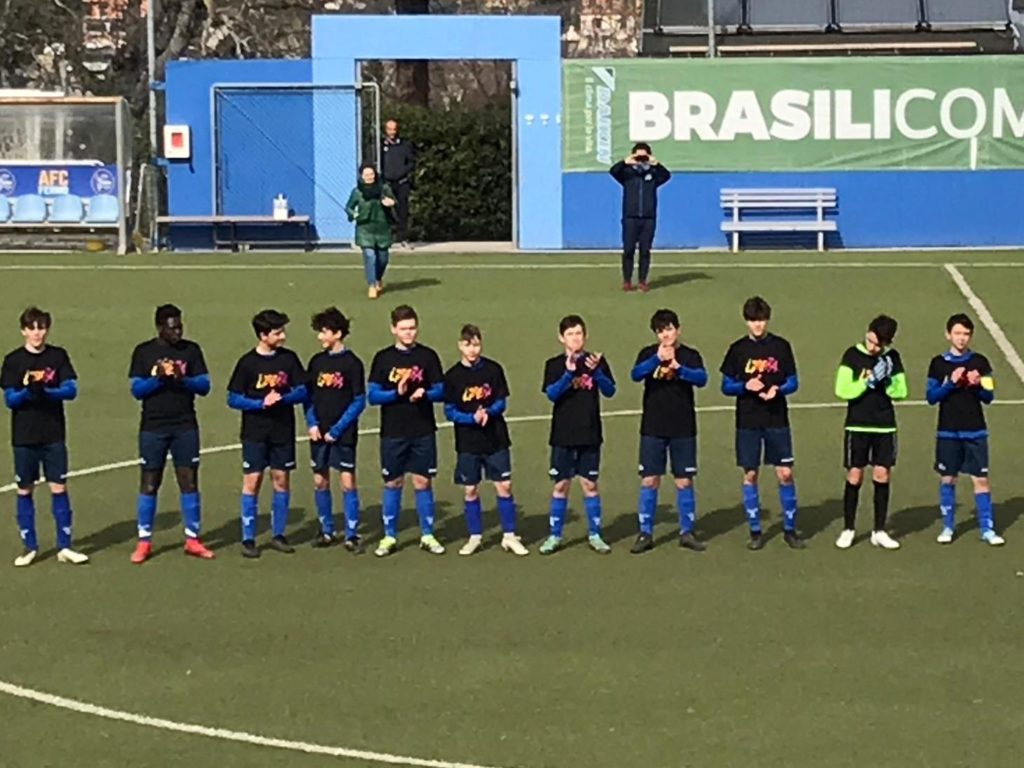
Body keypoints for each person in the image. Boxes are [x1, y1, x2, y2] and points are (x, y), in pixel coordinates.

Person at [1, 307, 88, 566]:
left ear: (47, 329)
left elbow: (71, 390)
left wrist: (47, 391)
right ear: (23, 331)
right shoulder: (13, 360)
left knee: (58, 487)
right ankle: (30, 547)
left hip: (53, 434)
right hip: (24, 436)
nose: (37, 333)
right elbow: (10, 399)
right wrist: (28, 391)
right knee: (25, 489)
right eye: (32, 328)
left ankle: (65, 546)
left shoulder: (58, 356)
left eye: (41, 328)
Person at [127, 304, 214, 564]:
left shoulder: (191, 350)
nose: (178, 331)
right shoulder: (144, 352)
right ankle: (144, 542)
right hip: (153, 427)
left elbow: (205, 386)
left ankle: (193, 539)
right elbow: (137, 389)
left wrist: (181, 378)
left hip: (185, 426)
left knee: (188, 481)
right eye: (172, 327)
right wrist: (159, 379)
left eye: (180, 326)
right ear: (160, 328)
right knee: (150, 482)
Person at [719, 296, 803, 550]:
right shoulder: (737, 349)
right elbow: (725, 386)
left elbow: (794, 381)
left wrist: (777, 389)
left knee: (785, 473)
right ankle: (755, 531)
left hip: (777, 419)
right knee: (751, 474)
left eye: (762, 320)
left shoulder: (781, 346)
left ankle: (790, 529)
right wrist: (746, 385)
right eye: (754, 321)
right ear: (746, 321)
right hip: (748, 421)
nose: (758, 325)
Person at [226, 309, 308, 559]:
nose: (282, 336)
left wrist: (282, 398)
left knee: (281, 479)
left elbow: (304, 390)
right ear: (263, 335)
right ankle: (248, 537)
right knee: (253, 482)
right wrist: (261, 404)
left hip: (282, 431)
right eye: (277, 332)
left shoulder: (289, 359)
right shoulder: (247, 363)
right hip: (255, 432)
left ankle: (278, 534)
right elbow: (233, 398)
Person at [367, 305, 446, 557]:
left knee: (423, 481)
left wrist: (426, 393)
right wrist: (396, 393)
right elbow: (373, 395)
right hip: (393, 431)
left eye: (412, 328)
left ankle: (428, 534)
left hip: (422, 429)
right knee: (393, 481)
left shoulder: (428, 356)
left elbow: (442, 390)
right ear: (393, 329)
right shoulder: (383, 358)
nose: (409, 333)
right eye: (403, 329)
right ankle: (389, 535)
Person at [443, 324, 528, 557]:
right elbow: (449, 411)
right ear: (460, 345)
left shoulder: (493, 370)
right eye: (468, 345)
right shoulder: (452, 376)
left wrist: (488, 413)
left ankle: (509, 535)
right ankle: (475, 536)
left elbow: (502, 402)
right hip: (468, 443)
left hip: (496, 439)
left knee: (504, 486)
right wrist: (471, 417)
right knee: (470, 489)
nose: (473, 349)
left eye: (477, 344)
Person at [629, 309, 708, 554]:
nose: (666, 334)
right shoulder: (647, 353)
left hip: (683, 427)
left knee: (684, 480)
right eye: (662, 331)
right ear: (656, 334)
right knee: (650, 479)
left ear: (678, 330)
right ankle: (645, 533)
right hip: (653, 427)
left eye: (670, 329)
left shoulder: (690, 355)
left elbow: (702, 378)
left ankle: (687, 531)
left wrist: (678, 367)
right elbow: (635, 374)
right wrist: (657, 360)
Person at [539, 314, 616, 555]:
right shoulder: (553, 364)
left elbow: (610, 390)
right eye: (570, 334)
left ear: (585, 336)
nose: (575, 338)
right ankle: (555, 535)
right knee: (561, 485)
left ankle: (595, 534)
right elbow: (551, 394)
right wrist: (568, 373)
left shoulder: (596, 361)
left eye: (579, 333)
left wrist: (597, 373)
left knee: (590, 485)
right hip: (562, 434)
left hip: (590, 433)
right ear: (561, 338)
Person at [926, 313, 1004, 546]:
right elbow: (931, 397)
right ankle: (948, 526)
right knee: (948, 478)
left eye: (966, 334)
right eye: (958, 333)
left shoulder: (980, 362)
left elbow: (988, 396)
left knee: (980, 479)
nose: (962, 338)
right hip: (948, 431)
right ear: (948, 334)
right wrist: (950, 382)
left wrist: (977, 384)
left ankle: (987, 529)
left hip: (975, 430)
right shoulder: (938, 363)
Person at [833, 315, 907, 551]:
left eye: (879, 344)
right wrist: (868, 382)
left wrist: (886, 382)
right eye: (872, 341)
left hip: (884, 425)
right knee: (855, 475)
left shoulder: (892, 358)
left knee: (882, 476)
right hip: (857, 425)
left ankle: (879, 530)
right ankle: (848, 529)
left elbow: (901, 391)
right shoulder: (852, 356)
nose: (874, 347)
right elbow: (842, 389)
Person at [304, 307, 366, 552]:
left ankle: (352, 534)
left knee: (348, 482)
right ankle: (326, 530)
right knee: (320, 481)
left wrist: (338, 429)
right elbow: (308, 397)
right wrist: (311, 423)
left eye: (324, 332)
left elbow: (359, 400)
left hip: (343, 434)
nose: (320, 337)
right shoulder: (316, 362)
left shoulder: (352, 363)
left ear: (338, 334)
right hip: (319, 433)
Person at [609, 142, 671, 293]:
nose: (641, 159)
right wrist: (626, 161)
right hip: (630, 217)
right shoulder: (627, 174)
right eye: (639, 156)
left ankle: (643, 281)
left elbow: (667, 176)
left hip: (648, 218)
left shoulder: (653, 174)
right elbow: (613, 171)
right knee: (628, 250)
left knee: (645, 251)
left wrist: (655, 164)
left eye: (644, 156)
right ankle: (627, 281)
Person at [346, 164, 396, 300]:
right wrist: (353, 214)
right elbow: (349, 207)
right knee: (370, 256)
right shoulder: (357, 192)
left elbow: (393, 200)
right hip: (364, 229)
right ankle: (372, 285)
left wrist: (389, 202)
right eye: (366, 175)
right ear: (361, 176)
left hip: (382, 228)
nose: (369, 177)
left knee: (383, 259)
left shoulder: (384, 188)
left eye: (371, 174)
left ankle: (378, 278)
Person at [381, 119, 416, 246]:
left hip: (402, 182)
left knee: (403, 210)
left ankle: (403, 238)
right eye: (389, 129)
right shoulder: (381, 146)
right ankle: (388, 236)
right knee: (385, 209)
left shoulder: (405, 145)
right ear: (386, 130)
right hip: (387, 183)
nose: (392, 132)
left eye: (394, 129)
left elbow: (412, 162)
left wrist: (403, 172)